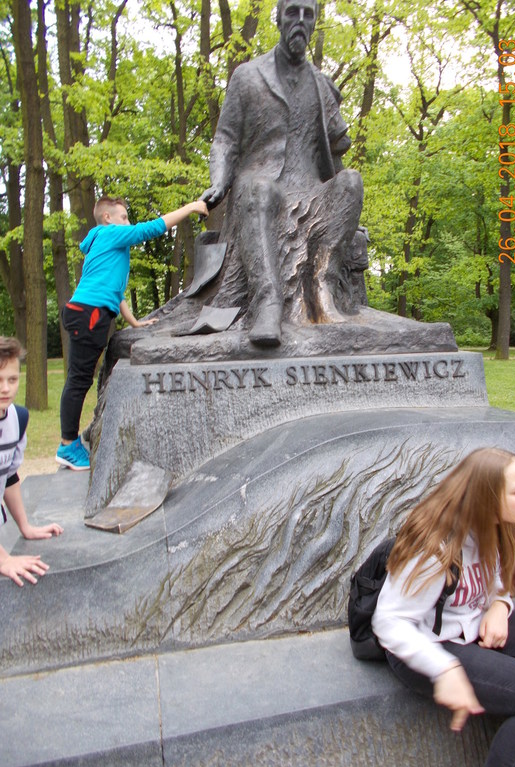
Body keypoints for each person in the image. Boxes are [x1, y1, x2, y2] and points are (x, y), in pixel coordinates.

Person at [372, 447, 515, 767]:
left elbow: (502, 579)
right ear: (486, 498)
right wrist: (445, 669)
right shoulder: (434, 546)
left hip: (474, 622)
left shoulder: (498, 525)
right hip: (430, 646)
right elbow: (389, 621)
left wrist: (499, 605)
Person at [201, 0, 363, 346]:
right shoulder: (248, 76)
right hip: (263, 186)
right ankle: (267, 301)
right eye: (293, 12)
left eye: (308, 14)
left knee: (352, 180)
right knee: (257, 188)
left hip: (311, 190)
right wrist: (219, 181)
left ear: (314, 23)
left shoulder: (321, 84)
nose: (300, 21)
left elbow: (337, 148)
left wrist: (348, 210)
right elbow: (225, 139)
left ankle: (322, 289)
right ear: (278, 18)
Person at [56, 195, 208, 470]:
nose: (128, 223)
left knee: (80, 378)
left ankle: (70, 443)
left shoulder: (102, 244)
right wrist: (190, 207)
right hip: (90, 314)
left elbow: (117, 292)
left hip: (87, 312)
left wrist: (134, 322)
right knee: (78, 380)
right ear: (108, 218)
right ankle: (67, 446)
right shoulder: (110, 233)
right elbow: (151, 229)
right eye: (124, 217)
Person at [0, 337, 64, 586]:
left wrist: (25, 527)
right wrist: (4, 560)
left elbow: (9, 476)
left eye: (12, 379)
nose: (6, 388)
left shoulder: (18, 419)